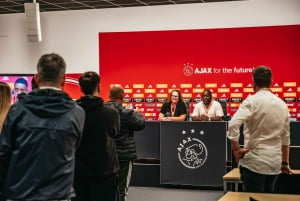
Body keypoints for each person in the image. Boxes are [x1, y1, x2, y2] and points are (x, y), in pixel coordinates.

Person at [0, 53, 85, 200]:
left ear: (37, 78)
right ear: (63, 79)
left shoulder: (17, 110)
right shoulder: (77, 113)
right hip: (58, 195)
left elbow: (3, 155)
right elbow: (74, 149)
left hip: (20, 194)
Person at [227, 66, 292, 193]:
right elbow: (285, 138)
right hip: (274, 162)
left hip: (254, 162)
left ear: (253, 82)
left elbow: (233, 124)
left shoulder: (251, 101)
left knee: (254, 197)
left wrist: (236, 149)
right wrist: (285, 163)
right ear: (271, 81)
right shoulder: (282, 104)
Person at [73, 71, 120, 201]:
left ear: (81, 88)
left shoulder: (72, 112)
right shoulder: (111, 113)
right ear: (98, 87)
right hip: (105, 174)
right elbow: (115, 132)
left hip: (79, 174)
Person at [105, 84, 146, 201]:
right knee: (122, 189)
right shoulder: (126, 113)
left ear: (109, 95)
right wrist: (136, 112)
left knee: (106, 187)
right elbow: (141, 123)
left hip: (106, 155)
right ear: (122, 96)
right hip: (123, 156)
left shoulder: (102, 110)